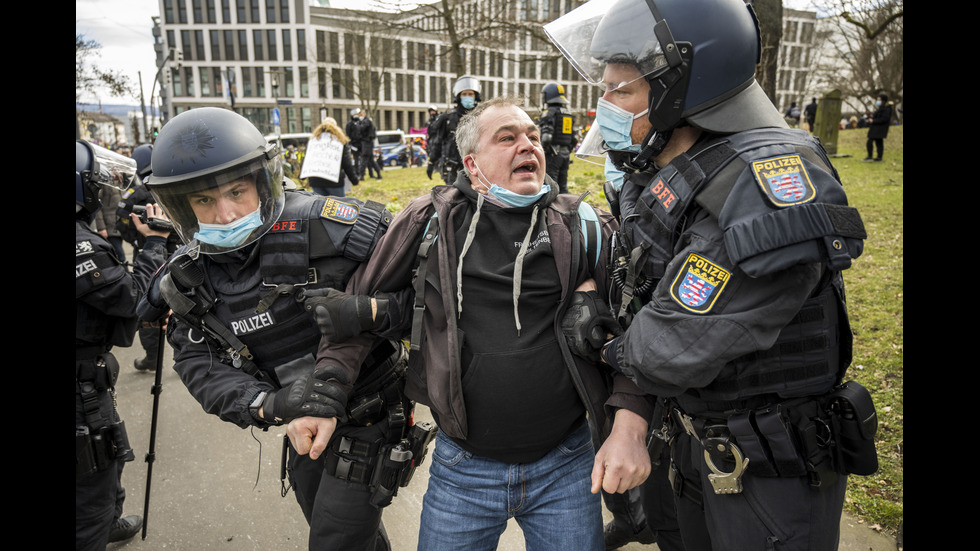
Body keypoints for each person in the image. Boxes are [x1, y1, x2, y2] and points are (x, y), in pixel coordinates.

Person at [545, 1, 876, 550]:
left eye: (620, 91)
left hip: (770, 474)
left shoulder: (766, 184)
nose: (604, 106)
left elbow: (670, 343)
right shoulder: (671, 169)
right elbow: (639, 274)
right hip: (694, 443)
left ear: (685, 89)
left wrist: (606, 345)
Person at [288, 96, 654, 551]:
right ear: (472, 164)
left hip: (567, 463)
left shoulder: (584, 226)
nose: (528, 146)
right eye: (507, 138)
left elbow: (638, 328)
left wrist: (630, 423)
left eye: (533, 137)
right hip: (464, 469)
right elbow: (355, 314)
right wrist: (324, 398)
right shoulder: (428, 221)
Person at [136, 107, 412, 551]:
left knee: (334, 540)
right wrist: (268, 404)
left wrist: (369, 312)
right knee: (324, 514)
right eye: (204, 201)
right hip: (294, 417)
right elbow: (198, 362)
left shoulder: (332, 228)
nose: (225, 214)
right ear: (182, 207)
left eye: (236, 192)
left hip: (369, 410)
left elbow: (432, 304)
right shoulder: (189, 278)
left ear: (262, 182)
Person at [76, 139, 171, 550]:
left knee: (107, 455)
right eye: (95, 183)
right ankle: (98, 527)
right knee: (89, 486)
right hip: (80, 383)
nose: (102, 190)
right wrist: (154, 243)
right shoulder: (82, 249)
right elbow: (133, 298)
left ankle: (109, 519)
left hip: (90, 375)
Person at [114, 143, 183, 372]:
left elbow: (122, 220)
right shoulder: (175, 184)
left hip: (149, 252)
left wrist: (136, 240)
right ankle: (187, 355)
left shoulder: (136, 192)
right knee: (184, 303)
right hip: (180, 254)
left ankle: (153, 357)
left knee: (150, 303)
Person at [427, 75, 482, 184]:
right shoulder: (448, 117)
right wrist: (431, 162)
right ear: (458, 96)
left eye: (470, 94)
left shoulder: (483, 116)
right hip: (453, 168)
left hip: (477, 167)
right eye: (464, 94)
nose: (468, 97)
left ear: (475, 96)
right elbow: (438, 141)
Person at [536, 82, 578, 194]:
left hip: (553, 154)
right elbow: (574, 139)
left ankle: (551, 210)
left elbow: (546, 138)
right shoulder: (568, 114)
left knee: (551, 185)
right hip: (565, 154)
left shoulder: (549, 113)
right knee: (563, 185)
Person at [305, 117, 360, 196]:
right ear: (336, 127)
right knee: (338, 205)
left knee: (321, 206)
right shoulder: (340, 141)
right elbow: (347, 163)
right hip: (334, 181)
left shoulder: (313, 141)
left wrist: (302, 176)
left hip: (315, 180)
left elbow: (307, 159)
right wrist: (354, 180)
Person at [354, 108, 383, 180]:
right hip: (367, 143)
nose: (359, 116)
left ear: (363, 114)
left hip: (366, 143)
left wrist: (357, 124)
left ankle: (362, 175)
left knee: (364, 159)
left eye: (360, 114)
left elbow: (361, 129)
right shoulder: (366, 121)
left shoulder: (366, 121)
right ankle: (378, 173)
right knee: (370, 160)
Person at [864, 93, 893, 162]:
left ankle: (876, 157)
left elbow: (884, 119)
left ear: (883, 100)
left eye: (879, 99)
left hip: (879, 129)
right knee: (875, 142)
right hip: (876, 128)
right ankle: (874, 156)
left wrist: (873, 121)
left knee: (876, 142)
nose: (878, 101)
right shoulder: (881, 108)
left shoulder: (886, 109)